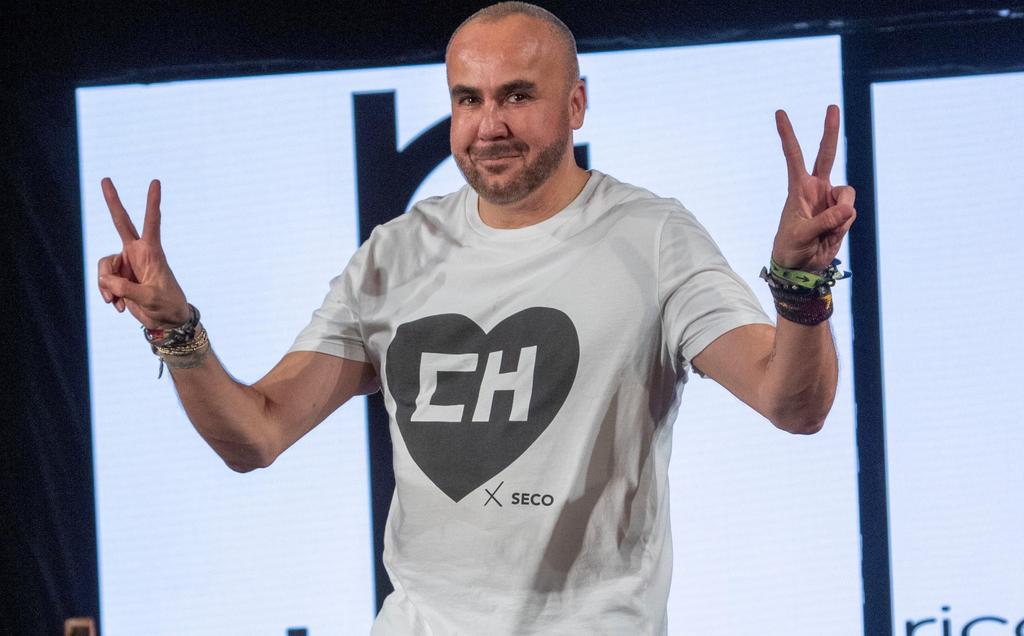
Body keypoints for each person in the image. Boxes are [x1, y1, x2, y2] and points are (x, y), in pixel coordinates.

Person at [96, 2, 856, 634]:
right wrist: (174, 329)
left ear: (576, 104)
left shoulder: (654, 238)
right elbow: (255, 435)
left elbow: (794, 404)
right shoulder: (396, 253)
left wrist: (801, 283)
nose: (488, 125)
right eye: (468, 99)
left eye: (517, 96)